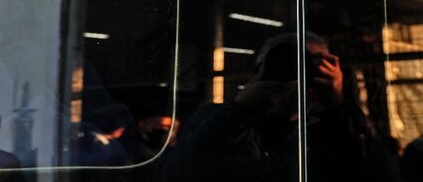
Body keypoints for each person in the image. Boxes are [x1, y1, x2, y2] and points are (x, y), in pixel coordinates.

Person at [161, 32, 399, 182]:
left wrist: (337, 107)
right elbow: (175, 172)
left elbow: (378, 173)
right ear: (260, 70)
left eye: (309, 63)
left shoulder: (334, 130)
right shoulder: (221, 119)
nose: (297, 72)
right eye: (286, 63)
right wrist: (239, 111)